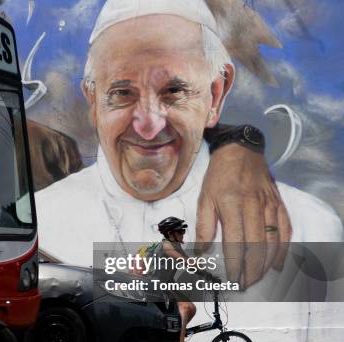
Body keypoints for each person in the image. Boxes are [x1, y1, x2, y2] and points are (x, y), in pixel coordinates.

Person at [35, 0, 343, 287]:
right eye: (122, 93)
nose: (148, 126)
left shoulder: (309, 229)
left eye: (174, 91)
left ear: (216, 94)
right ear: (92, 100)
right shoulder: (41, 226)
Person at [155, 217, 197, 342]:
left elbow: (189, 262)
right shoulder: (166, 246)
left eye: (183, 231)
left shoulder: (176, 245)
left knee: (192, 308)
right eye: (180, 231)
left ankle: (175, 335)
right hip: (157, 285)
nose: (182, 234)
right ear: (170, 233)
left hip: (168, 283)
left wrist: (210, 276)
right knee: (185, 308)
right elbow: (183, 260)